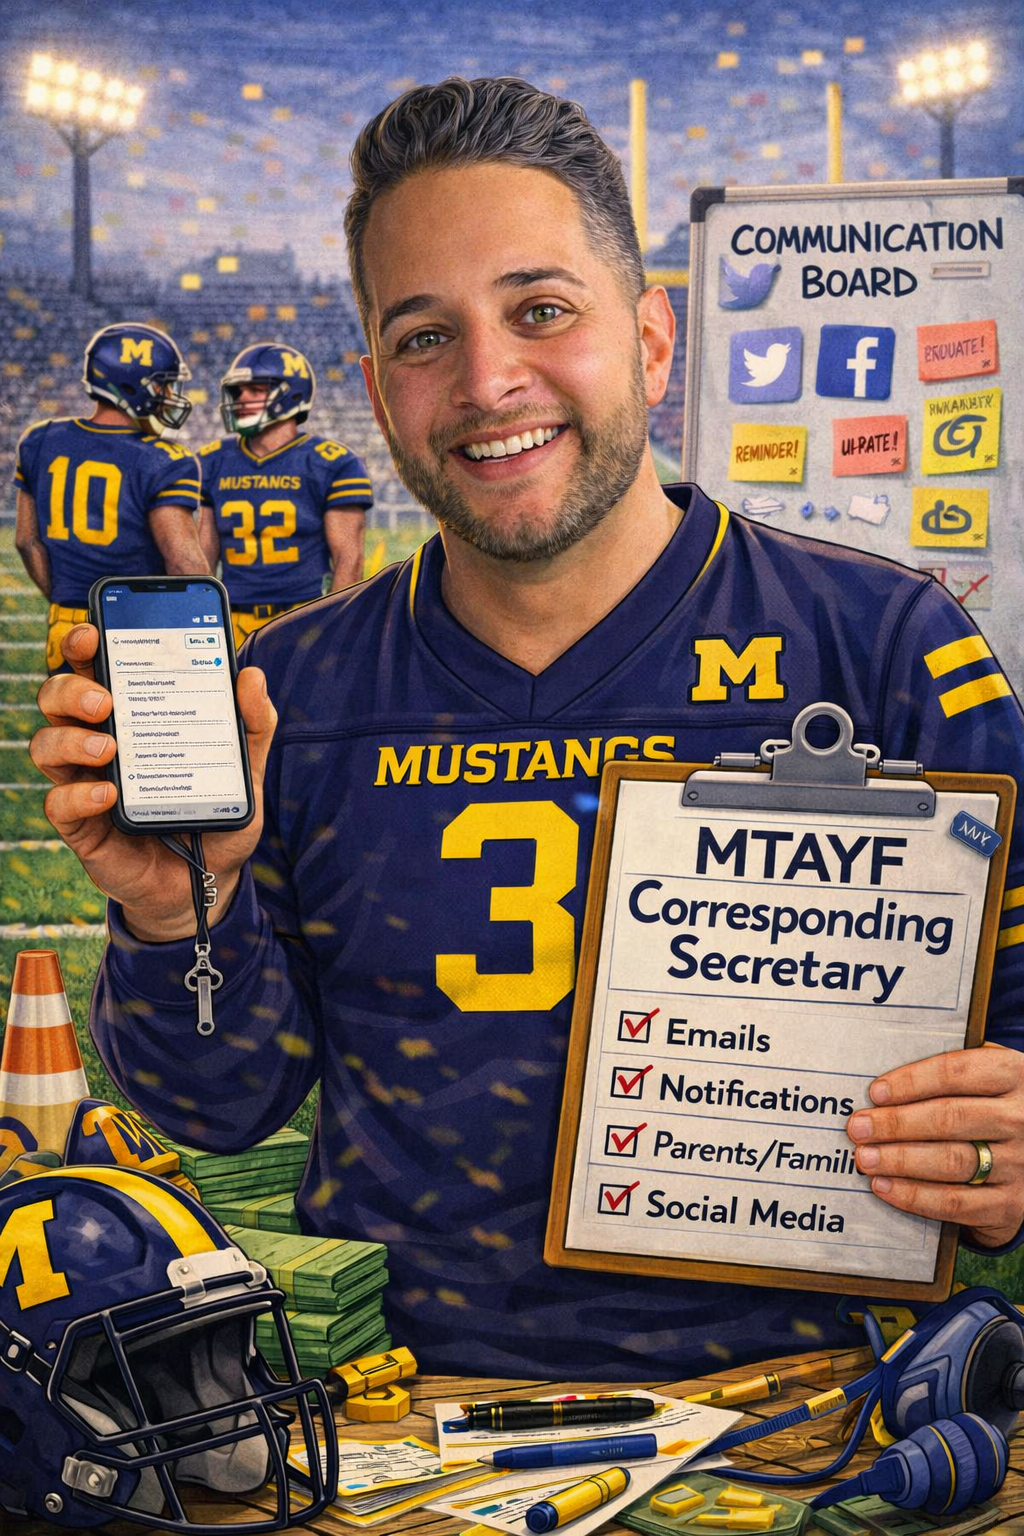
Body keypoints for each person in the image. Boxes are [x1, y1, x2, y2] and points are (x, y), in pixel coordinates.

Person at [32, 78, 1024, 1380]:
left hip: (811, 1428)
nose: (490, 381)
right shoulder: (293, 691)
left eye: (540, 310)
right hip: (393, 1439)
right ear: (377, 393)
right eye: (423, 335)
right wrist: (174, 916)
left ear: (654, 341)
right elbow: (215, 1108)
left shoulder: (890, 649)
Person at [14, 322, 209, 673]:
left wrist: (66, 600)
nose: (169, 393)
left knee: (74, 723)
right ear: (133, 385)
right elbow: (184, 564)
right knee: (150, 726)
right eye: (162, 383)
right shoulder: (164, 458)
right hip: (138, 625)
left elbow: (27, 542)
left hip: (67, 625)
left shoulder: (39, 439)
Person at [197, 343, 374, 651]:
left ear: (291, 393)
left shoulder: (332, 462)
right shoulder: (212, 460)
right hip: (230, 619)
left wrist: (331, 626)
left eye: (254, 390)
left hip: (301, 615)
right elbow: (203, 555)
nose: (242, 400)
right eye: (238, 392)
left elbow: (349, 560)